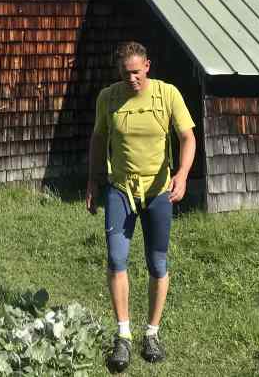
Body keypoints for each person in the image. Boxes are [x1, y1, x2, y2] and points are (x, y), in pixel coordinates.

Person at [86, 41, 196, 371]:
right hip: (120, 189)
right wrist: (93, 180)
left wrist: (183, 174)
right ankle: (123, 336)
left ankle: (151, 333)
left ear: (147, 66)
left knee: (157, 264)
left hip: (158, 191)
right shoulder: (108, 98)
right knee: (117, 258)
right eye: (125, 73)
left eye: (136, 72)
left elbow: (187, 137)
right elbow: (98, 138)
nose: (131, 78)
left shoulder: (168, 94)